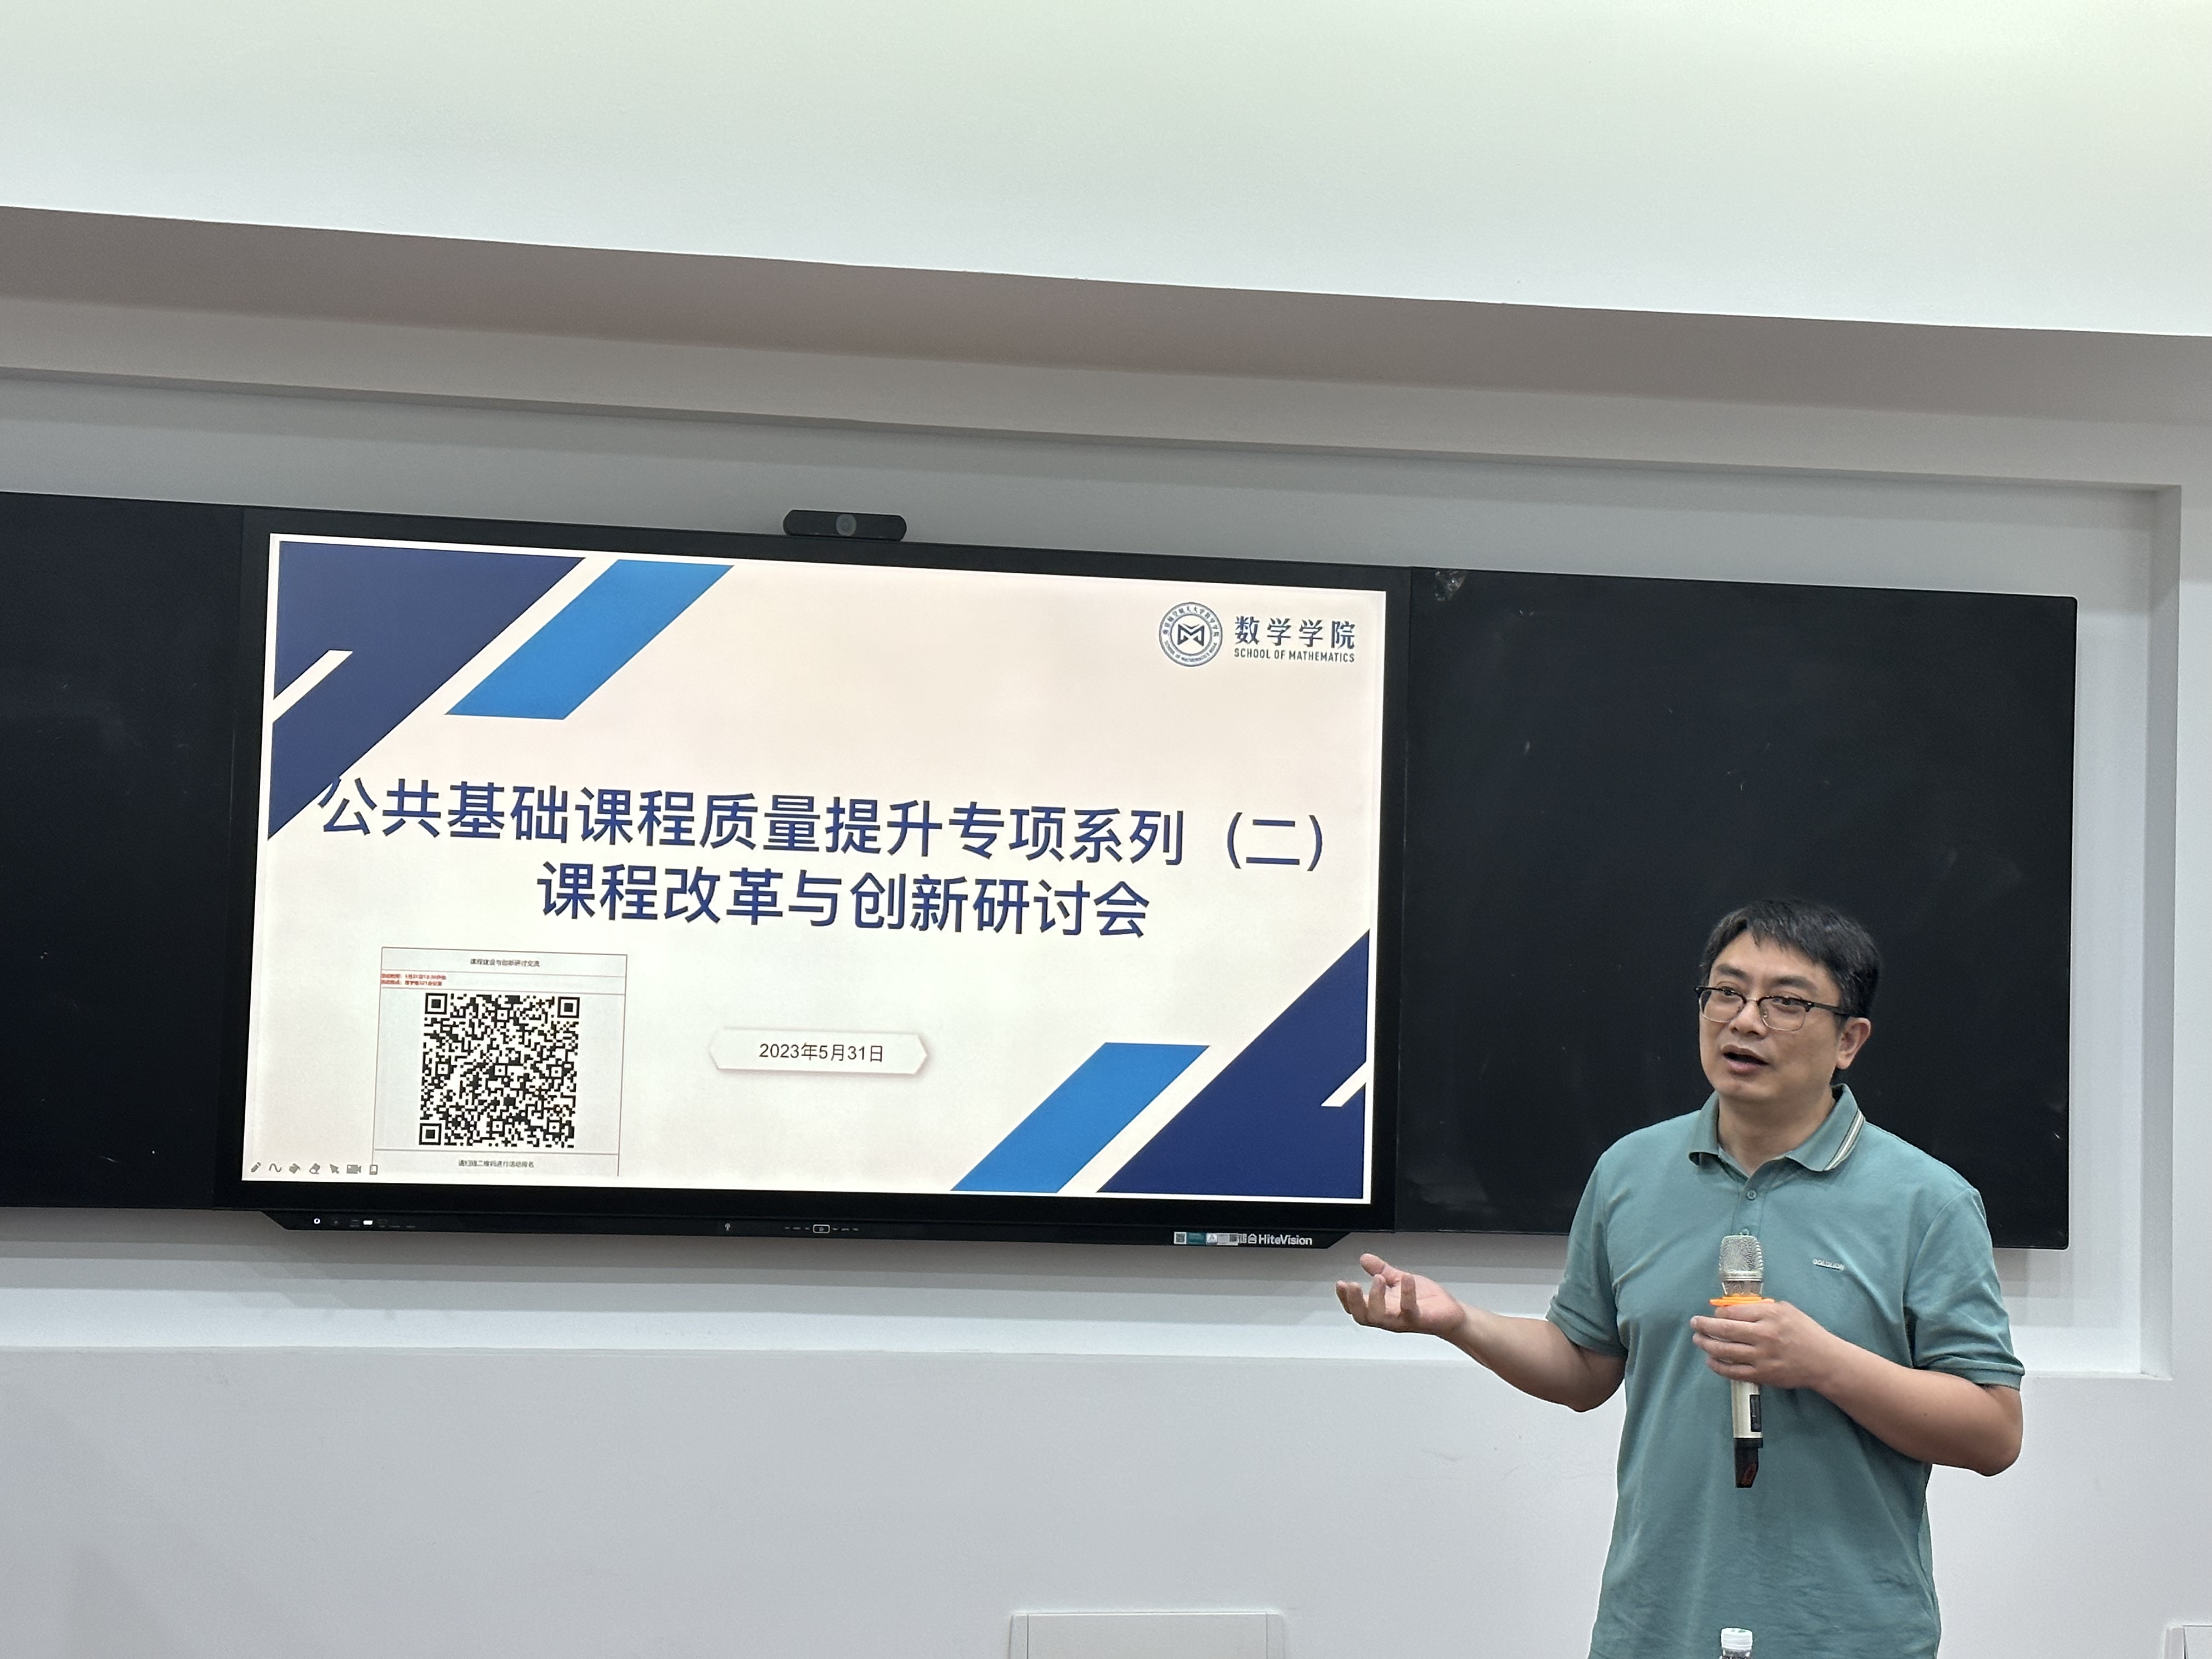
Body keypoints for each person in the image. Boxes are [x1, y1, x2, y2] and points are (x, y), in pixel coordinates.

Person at [1339, 898, 2023, 1658]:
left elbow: (1993, 1432)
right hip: (1658, 1624)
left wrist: (1822, 1362)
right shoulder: (1630, 1172)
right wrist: (1459, 1322)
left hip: (1844, 1632)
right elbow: (1584, 1367)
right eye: (1726, 992)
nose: (1745, 1021)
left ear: (1849, 1040)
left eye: (1786, 1002)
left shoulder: (1927, 1201)